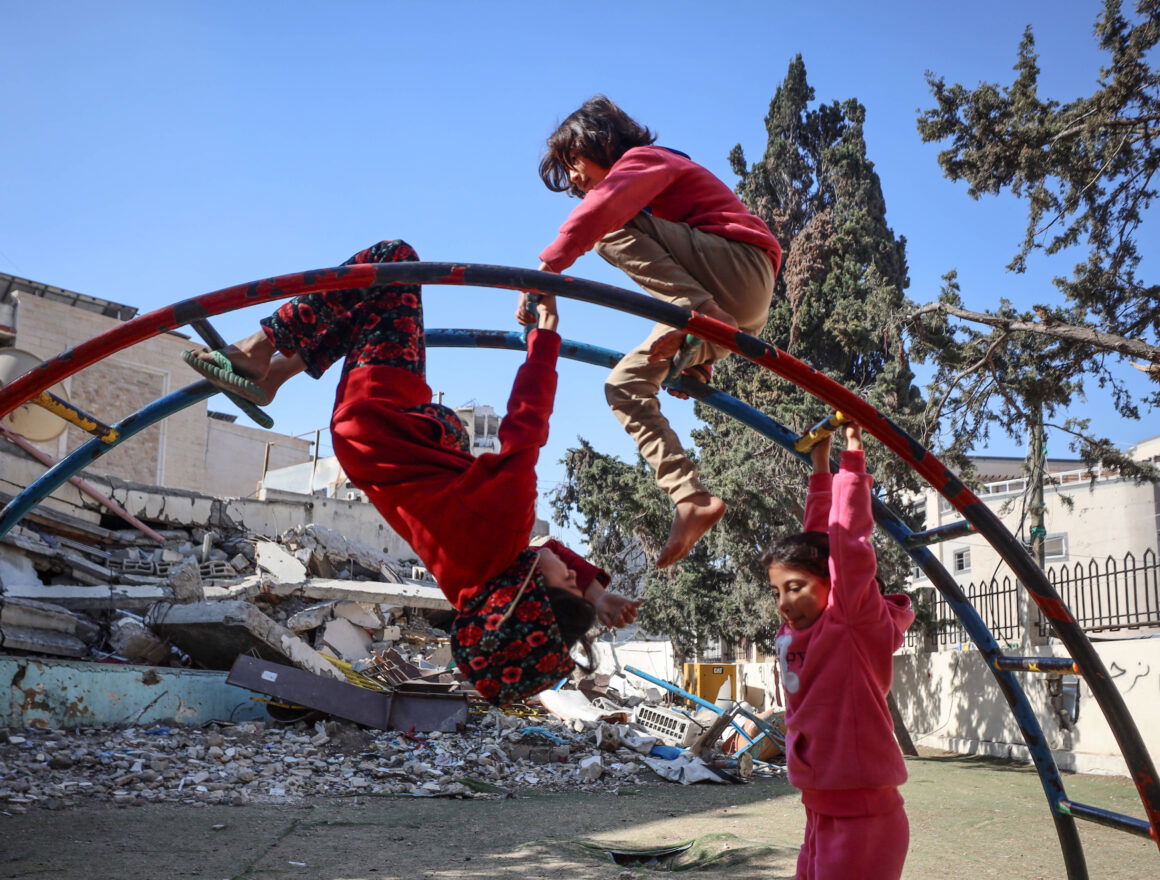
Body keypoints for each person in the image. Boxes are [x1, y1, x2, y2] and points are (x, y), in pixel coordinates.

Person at [183, 239, 640, 705]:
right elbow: (545, 554)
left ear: (527, 591)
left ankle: (259, 348)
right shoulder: (474, 588)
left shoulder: (503, 526)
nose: (569, 569)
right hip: (373, 439)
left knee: (392, 261)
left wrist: (544, 339)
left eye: (566, 580)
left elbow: (527, 426)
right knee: (367, 301)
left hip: (385, 414)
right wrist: (597, 596)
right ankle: (276, 375)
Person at [520, 95, 783, 568]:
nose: (575, 179)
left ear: (600, 141)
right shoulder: (638, 195)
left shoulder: (647, 160)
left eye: (574, 161)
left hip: (740, 268)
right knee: (625, 385)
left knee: (605, 223)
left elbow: (600, 211)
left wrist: (543, 272)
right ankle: (689, 497)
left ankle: (695, 326)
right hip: (729, 306)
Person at [762, 422, 915, 880]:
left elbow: (846, 544)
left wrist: (852, 456)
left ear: (834, 586)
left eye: (796, 588)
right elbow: (818, 539)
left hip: (863, 814)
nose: (785, 602)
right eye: (776, 592)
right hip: (822, 808)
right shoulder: (800, 628)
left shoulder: (848, 622)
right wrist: (820, 467)